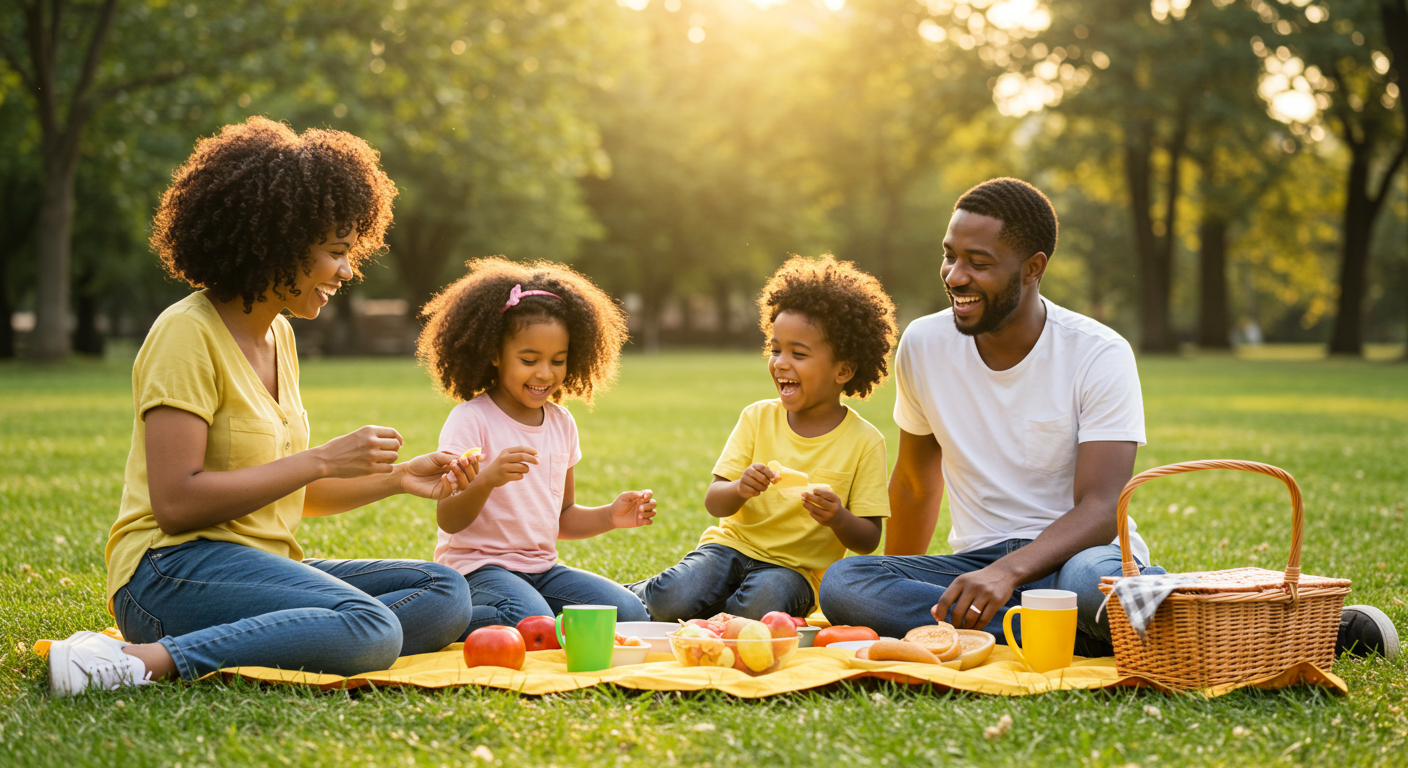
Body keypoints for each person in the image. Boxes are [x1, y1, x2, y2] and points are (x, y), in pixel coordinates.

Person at [819, 177, 1400, 661]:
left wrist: (1010, 574)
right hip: (980, 558)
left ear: (1032, 267)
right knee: (847, 585)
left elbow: (1101, 510)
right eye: (949, 255)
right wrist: (897, 581)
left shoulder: (1097, 352)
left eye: (978, 262)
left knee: (1088, 587)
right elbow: (918, 482)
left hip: (1082, 555)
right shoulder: (923, 344)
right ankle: (1119, 631)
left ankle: (1307, 629)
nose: (954, 277)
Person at [47, 118, 477, 697]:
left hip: (254, 565)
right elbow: (175, 505)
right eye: (335, 252)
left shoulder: (279, 336)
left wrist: (399, 479)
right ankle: (138, 661)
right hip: (169, 572)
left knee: (444, 593)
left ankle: (297, 631)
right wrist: (323, 459)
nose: (348, 271)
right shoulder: (185, 334)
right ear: (279, 243)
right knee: (372, 629)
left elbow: (285, 488)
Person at [631, 256, 897, 621]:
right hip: (730, 549)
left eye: (798, 354)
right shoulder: (757, 417)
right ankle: (638, 594)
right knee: (670, 600)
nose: (780, 363)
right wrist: (740, 488)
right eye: (775, 350)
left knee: (758, 609)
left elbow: (867, 540)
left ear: (844, 370)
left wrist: (837, 517)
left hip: (797, 573)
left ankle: (717, 618)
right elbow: (715, 502)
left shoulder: (866, 441)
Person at [417, 258, 654, 629]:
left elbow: (563, 517)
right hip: (478, 571)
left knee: (628, 613)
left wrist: (610, 516)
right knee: (530, 618)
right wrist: (487, 479)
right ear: (496, 355)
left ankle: (535, 614)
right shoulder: (471, 419)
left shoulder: (561, 423)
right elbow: (448, 518)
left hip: (542, 570)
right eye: (529, 359)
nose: (545, 373)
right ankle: (443, 616)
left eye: (558, 361)